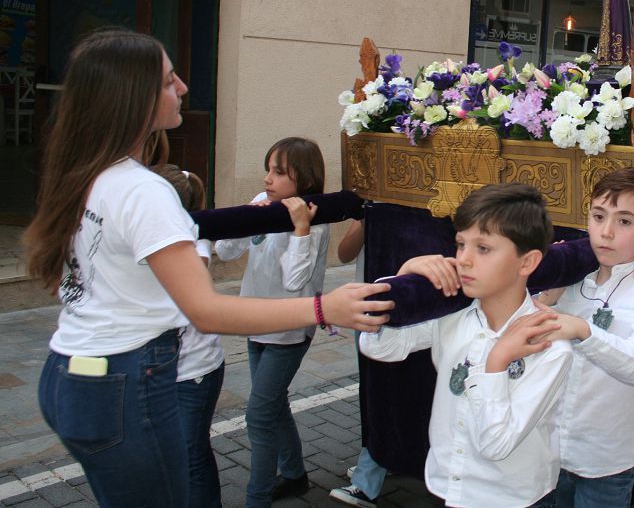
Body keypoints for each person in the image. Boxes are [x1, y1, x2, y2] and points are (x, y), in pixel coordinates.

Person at [25, 29, 394, 508]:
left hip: (71, 374)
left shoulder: (90, 174)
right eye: (167, 80)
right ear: (131, 99)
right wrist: (325, 307)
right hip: (122, 383)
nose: (181, 87)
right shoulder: (143, 191)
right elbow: (207, 312)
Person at [360, 183, 573, 508]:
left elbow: (496, 445)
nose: (464, 260)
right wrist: (401, 282)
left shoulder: (548, 343)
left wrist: (497, 360)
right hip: (446, 487)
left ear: (527, 262)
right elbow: (379, 347)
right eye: (460, 245)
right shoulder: (452, 314)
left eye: (483, 248)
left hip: (511, 499)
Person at [534, 168, 634, 507]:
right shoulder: (572, 274)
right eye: (599, 217)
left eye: (625, 221)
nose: (607, 232)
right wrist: (548, 294)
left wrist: (583, 331)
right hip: (547, 450)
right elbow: (517, 339)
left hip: (606, 460)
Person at [214, 137, 332, 507]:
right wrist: (249, 215)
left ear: (305, 178)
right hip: (255, 322)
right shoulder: (263, 205)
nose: (267, 178)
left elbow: (295, 280)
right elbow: (224, 250)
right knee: (273, 404)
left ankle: (258, 497)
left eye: (279, 172)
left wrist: (299, 229)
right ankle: (294, 474)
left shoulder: (316, 220)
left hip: (290, 330)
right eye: (268, 169)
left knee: (259, 415)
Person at [151, 164, 226, 508]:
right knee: (175, 450)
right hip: (164, 368)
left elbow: (195, 307)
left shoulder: (192, 245)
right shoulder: (158, 240)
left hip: (194, 369)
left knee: (190, 452)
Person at [330, 219, 390, 508]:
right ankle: (381, 456)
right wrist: (366, 218)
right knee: (371, 392)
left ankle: (369, 476)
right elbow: (344, 252)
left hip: (395, 310)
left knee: (384, 393)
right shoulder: (372, 205)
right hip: (364, 310)